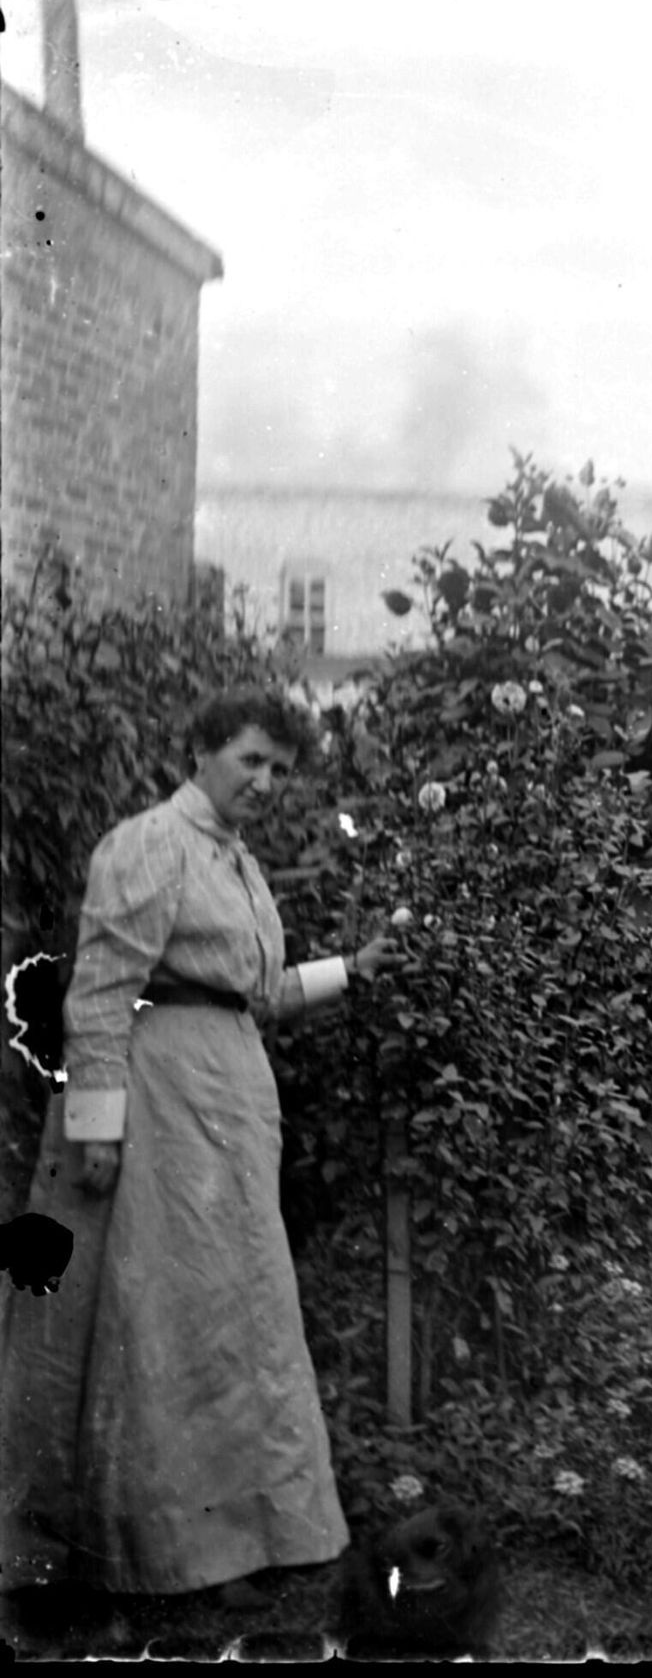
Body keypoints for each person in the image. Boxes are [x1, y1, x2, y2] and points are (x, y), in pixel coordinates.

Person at [0, 689, 402, 1609]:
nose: (265, 781)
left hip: (231, 1102)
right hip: (163, 1107)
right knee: (172, 1319)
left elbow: (247, 995)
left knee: (231, 1319)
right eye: (251, 759)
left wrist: (350, 969)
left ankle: (234, 1542)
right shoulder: (151, 843)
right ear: (203, 751)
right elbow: (101, 994)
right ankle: (170, 1550)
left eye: (279, 770)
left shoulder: (236, 862)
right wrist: (97, 1129)